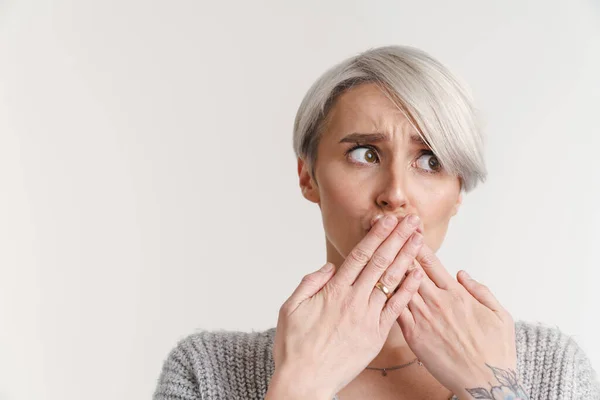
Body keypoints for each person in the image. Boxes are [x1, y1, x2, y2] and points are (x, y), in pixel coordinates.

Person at [153, 45, 599, 400]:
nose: (396, 193)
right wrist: (299, 387)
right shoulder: (205, 370)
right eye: (364, 154)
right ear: (308, 176)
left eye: (430, 160)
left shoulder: (554, 367)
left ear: (457, 192)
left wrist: (495, 390)